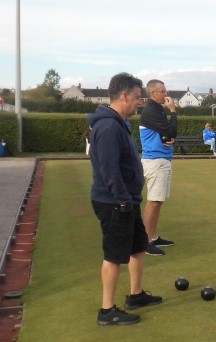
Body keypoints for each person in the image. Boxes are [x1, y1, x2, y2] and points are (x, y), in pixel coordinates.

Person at [88, 72, 162, 326]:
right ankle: (107, 311)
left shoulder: (119, 123)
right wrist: (122, 200)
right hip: (114, 202)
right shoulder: (108, 127)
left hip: (127, 199)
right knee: (114, 255)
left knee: (137, 246)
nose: (139, 102)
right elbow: (109, 170)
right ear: (123, 95)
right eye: (137, 97)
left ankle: (135, 295)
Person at [139, 79, 178, 256]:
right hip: (155, 160)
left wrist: (169, 137)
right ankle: (144, 242)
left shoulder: (157, 110)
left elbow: (167, 133)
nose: (166, 94)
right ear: (153, 94)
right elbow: (171, 130)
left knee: (158, 200)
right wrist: (173, 112)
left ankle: (153, 236)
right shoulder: (150, 111)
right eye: (162, 91)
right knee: (153, 201)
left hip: (162, 159)